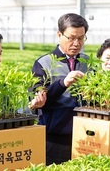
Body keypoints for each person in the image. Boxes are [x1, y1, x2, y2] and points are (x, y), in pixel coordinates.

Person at [29, 13, 89, 165]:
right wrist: (63, 83)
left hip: (84, 135)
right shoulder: (44, 63)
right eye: (71, 38)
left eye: (81, 38)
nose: (76, 43)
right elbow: (38, 100)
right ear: (59, 35)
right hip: (53, 137)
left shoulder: (87, 62)